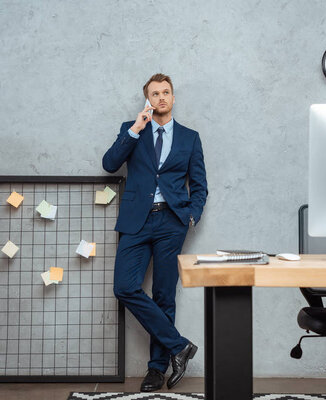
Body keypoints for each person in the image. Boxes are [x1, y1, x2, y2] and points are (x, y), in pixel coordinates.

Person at [102, 73, 207, 391]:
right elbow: (109, 164)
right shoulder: (131, 130)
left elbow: (200, 186)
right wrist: (136, 128)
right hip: (136, 220)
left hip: (171, 223)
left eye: (166, 92)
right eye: (155, 93)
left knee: (164, 295)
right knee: (124, 287)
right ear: (147, 99)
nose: (161, 97)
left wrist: (191, 216)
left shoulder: (190, 138)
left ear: (173, 98)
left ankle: (155, 370)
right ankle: (180, 346)